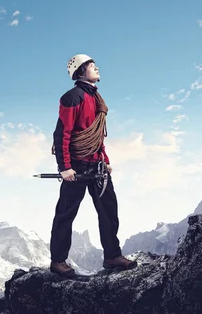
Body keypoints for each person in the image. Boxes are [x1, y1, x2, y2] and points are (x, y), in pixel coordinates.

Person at [49, 53, 137, 278]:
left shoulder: (97, 99)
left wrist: (105, 161)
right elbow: (63, 134)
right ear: (80, 71)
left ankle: (112, 256)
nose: (97, 68)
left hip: (96, 164)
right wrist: (65, 167)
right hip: (76, 166)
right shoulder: (72, 98)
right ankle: (58, 261)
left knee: (109, 210)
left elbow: (97, 136)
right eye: (91, 66)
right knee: (66, 213)